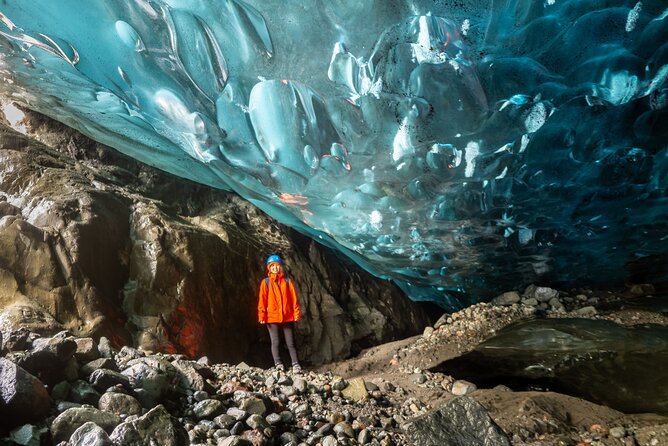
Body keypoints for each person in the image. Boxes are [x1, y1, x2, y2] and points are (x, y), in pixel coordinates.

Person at [257, 254, 302, 373]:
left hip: (287, 316)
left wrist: (296, 313)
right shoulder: (265, 283)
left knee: (290, 342)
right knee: (275, 342)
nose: (275, 268)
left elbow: (294, 299)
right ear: (269, 268)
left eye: (277, 266)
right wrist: (261, 315)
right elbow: (262, 300)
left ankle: (296, 364)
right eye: (272, 266)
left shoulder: (287, 281)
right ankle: (278, 364)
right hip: (272, 317)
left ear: (280, 267)